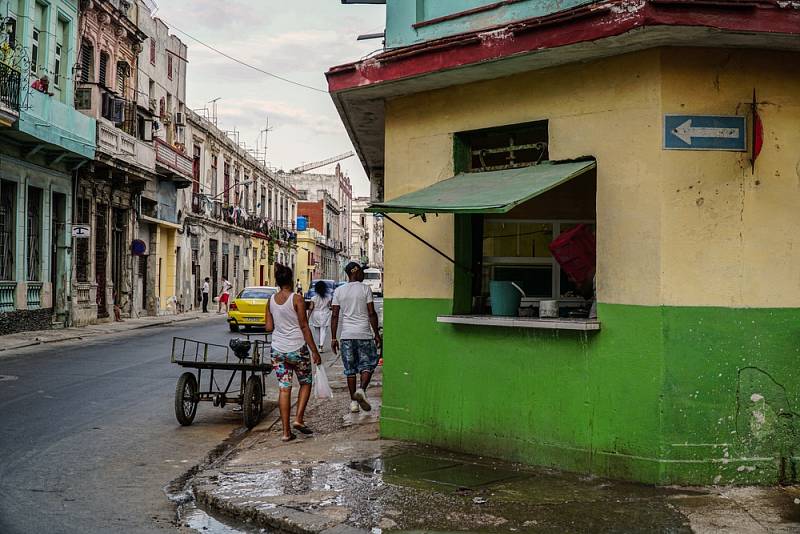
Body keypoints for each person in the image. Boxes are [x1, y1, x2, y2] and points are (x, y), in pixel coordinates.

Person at [265, 264, 322, 442]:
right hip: (297, 348)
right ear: (290, 280)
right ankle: (298, 419)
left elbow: (268, 327)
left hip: (278, 350)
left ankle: (285, 432)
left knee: (284, 388)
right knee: (305, 382)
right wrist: (314, 350)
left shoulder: (271, 300)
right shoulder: (297, 299)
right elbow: (304, 326)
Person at [331, 262, 382, 414]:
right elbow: (372, 313)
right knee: (368, 365)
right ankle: (361, 390)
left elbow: (334, 315)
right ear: (355, 272)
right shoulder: (365, 289)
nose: (363, 275)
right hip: (364, 335)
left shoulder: (339, 291)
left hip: (347, 336)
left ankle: (353, 403)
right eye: (361, 272)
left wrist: (333, 338)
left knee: (350, 370)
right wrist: (377, 334)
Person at [307, 280, 332, 353]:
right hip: (325, 314)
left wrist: (308, 317)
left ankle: (318, 345)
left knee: (317, 330)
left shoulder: (313, 298)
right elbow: (329, 306)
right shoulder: (328, 297)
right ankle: (321, 346)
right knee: (323, 330)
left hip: (316, 314)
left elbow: (311, 308)